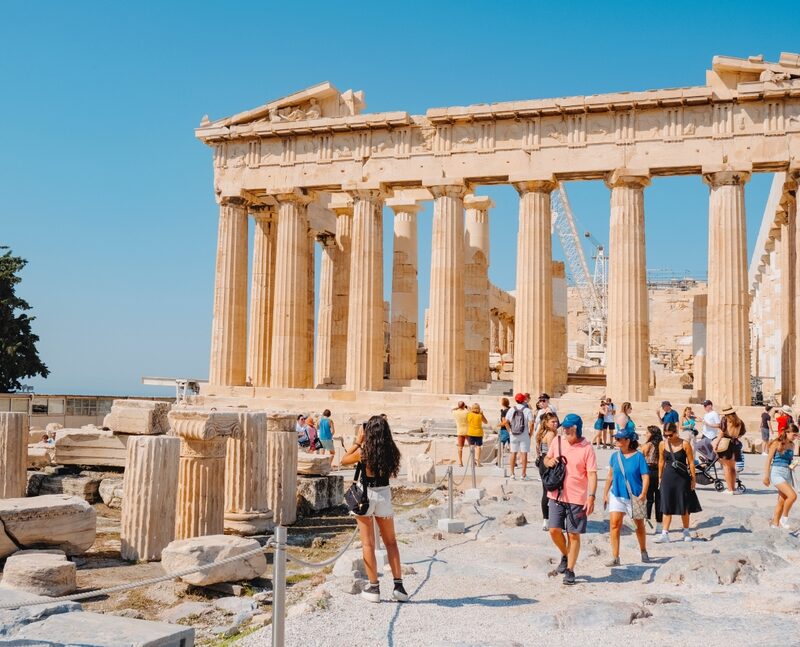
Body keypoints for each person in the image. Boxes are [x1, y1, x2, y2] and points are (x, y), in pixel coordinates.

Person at [340, 416, 409, 603]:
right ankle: (398, 586)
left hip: (366, 495)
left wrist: (357, 441)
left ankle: (374, 587)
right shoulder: (391, 451)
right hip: (384, 494)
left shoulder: (364, 452)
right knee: (391, 542)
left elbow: (343, 460)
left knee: (368, 544)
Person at [544, 414, 598, 585]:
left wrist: (591, 496)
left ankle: (570, 570)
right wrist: (549, 461)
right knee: (554, 530)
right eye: (564, 427)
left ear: (577, 428)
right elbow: (545, 459)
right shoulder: (557, 441)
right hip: (556, 494)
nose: (565, 430)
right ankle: (566, 554)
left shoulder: (587, 448)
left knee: (573, 534)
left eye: (569, 427)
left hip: (577, 497)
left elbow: (592, 474)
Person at [602, 426, 650, 566]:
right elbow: (610, 476)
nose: (616, 440)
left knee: (639, 526)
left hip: (634, 497)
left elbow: (645, 477)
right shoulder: (614, 456)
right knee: (614, 525)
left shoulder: (639, 457)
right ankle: (615, 557)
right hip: (617, 495)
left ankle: (643, 550)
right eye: (615, 438)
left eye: (619, 438)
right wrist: (605, 494)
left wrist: (643, 493)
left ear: (628, 440)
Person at [656, 422, 701, 543]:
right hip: (667, 477)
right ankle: (665, 533)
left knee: (684, 505)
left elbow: (691, 462)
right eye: (666, 435)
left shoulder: (685, 444)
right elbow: (661, 461)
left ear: (676, 432)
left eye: (670, 435)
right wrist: (660, 477)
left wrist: (693, 478)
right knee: (666, 505)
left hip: (682, 478)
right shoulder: (662, 444)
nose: (668, 438)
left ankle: (686, 531)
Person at [763, 423, 798, 529]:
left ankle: (775, 523)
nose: (795, 437)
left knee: (782, 500)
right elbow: (768, 460)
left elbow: (789, 462)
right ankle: (784, 518)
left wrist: (794, 464)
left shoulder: (792, 445)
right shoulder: (776, 443)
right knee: (792, 496)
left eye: (797, 435)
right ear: (787, 432)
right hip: (777, 473)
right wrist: (766, 476)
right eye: (794, 434)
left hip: (787, 473)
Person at [535, 412, 559, 531]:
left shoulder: (541, 432)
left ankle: (546, 519)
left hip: (541, 463)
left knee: (545, 491)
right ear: (547, 423)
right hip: (548, 462)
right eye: (553, 422)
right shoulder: (550, 434)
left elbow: (537, 449)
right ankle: (553, 519)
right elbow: (552, 451)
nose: (555, 423)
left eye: (556, 421)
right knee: (553, 492)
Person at [715, 406, 746, 494]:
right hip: (735, 444)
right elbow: (742, 433)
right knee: (732, 468)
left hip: (726, 443)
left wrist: (716, 444)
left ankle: (729, 489)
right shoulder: (739, 421)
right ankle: (734, 489)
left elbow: (721, 433)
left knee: (726, 467)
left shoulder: (725, 419)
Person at [505, 393, 534, 480]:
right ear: (524, 400)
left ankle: (512, 474)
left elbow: (505, 421)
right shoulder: (527, 410)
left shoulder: (511, 409)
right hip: (524, 434)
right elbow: (531, 423)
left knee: (513, 453)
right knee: (524, 454)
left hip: (513, 434)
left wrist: (509, 431)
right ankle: (523, 474)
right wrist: (530, 434)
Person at [641, 426, 663, 534]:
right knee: (659, 499)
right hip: (660, 472)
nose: (646, 434)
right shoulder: (662, 445)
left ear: (652, 434)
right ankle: (659, 525)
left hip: (649, 472)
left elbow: (641, 456)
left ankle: (647, 524)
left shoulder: (648, 445)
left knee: (649, 499)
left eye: (647, 432)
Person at [452, 402, 469, 467]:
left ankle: (460, 462)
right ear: (464, 405)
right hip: (467, 431)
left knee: (460, 447)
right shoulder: (467, 412)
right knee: (471, 446)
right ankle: (474, 461)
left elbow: (452, 409)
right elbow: (470, 411)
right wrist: (466, 407)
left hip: (460, 431)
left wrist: (458, 407)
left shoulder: (455, 412)